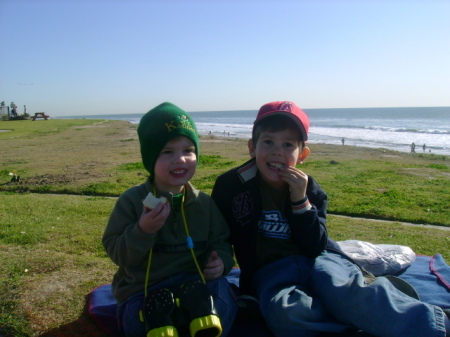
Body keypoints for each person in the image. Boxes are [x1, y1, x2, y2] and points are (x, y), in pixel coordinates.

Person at [211, 101, 450, 337]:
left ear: (302, 154)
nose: (277, 151)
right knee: (285, 314)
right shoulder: (231, 186)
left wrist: (299, 201)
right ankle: (365, 315)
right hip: (270, 271)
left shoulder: (311, 190)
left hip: (317, 259)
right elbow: (218, 235)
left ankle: (437, 324)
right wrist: (226, 265)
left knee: (345, 290)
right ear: (253, 147)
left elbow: (314, 246)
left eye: (288, 144)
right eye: (268, 142)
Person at [103, 102, 237, 337]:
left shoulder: (204, 203)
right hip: (143, 290)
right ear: (150, 158)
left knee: (223, 297)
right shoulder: (132, 201)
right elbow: (117, 253)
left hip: (196, 286)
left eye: (188, 150)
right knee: (138, 322)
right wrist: (143, 230)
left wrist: (222, 262)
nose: (181, 160)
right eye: (167, 152)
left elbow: (222, 242)